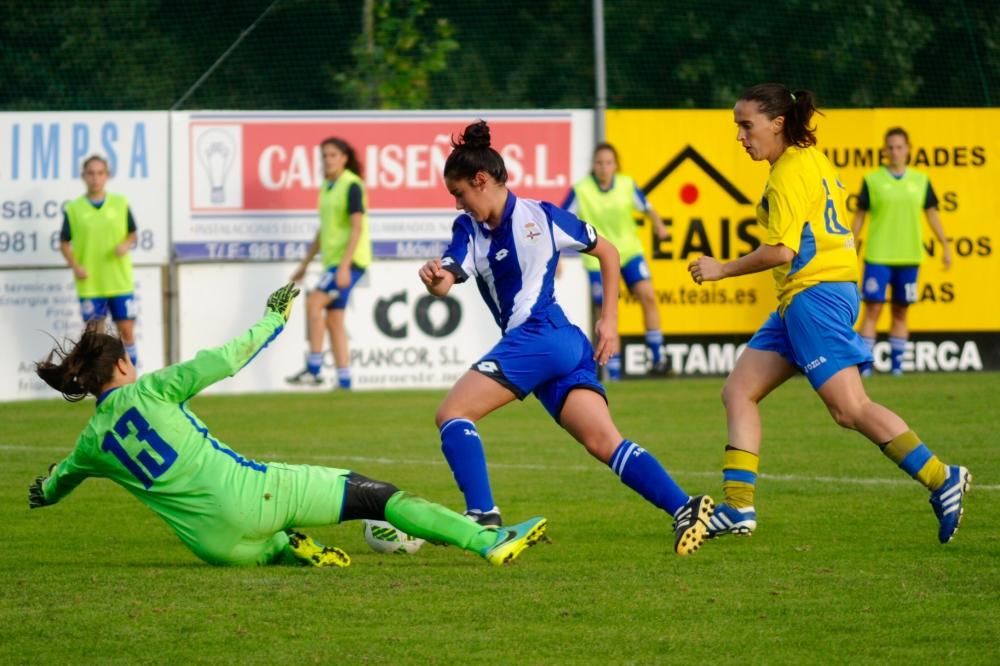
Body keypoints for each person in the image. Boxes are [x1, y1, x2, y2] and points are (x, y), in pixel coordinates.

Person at [28, 283, 547, 568]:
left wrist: (46, 491)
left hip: (215, 548)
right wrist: (274, 318)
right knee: (376, 495)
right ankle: (487, 541)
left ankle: (287, 549)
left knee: (273, 540)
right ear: (121, 367)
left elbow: (60, 479)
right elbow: (227, 358)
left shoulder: (91, 442)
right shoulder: (153, 388)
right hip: (256, 497)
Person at [687, 83, 970, 544]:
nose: (739, 135)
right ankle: (738, 508)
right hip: (803, 297)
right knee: (738, 391)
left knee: (849, 408)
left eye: (746, 125)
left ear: (777, 123)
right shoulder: (808, 158)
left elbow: (781, 251)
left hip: (814, 296)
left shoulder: (786, 175)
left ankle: (942, 477)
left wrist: (722, 270)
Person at [418, 120, 713, 556]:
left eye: (459, 193)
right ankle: (685, 506)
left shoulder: (541, 216)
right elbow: (447, 279)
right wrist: (433, 278)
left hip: (538, 338)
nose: (459, 204)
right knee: (603, 441)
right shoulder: (470, 231)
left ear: (481, 180)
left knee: (453, 414)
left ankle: (482, 515)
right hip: (565, 343)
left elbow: (609, 251)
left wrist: (610, 319)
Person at [562, 143, 670, 378]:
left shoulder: (626, 185)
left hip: (629, 252)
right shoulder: (582, 190)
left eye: (608, 163)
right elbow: (561, 220)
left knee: (648, 296)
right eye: (599, 163)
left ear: (615, 165)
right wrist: (558, 255)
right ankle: (613, 371)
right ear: (593, 165)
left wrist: (659, 225)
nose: (604, 167)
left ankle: (658, 359)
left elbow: (648, 208)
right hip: (598, 258)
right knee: (608, 311)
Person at [851, 127, 952, 376]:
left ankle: (897, 370)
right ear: (885, 151)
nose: (895, 152)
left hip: (909, 256)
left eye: (899, 147)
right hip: (878, 255)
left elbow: (932, 214)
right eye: (890, 147)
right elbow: (860, 217)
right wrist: (850, 245)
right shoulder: (872, 180)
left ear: (908, 149)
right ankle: (865, 368)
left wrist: (945, 244)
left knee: (901, 311)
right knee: (872, 309)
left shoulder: (920, 180)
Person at [287, 137, 372, 390]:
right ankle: (344, 380)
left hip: (350, 262)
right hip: (334, 263)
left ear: (344, 158)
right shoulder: (327, 186)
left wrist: (345, 266)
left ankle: (313, 369)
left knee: (314, 301)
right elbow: (323, 231)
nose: (328, 160)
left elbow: (357, 227)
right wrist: (304, 264)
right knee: (334, 319)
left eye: (333, 155)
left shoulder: (352, 185)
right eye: (324, 155)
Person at [59, 154, 139, 366]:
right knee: (95, 337)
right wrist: (75, 266)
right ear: (84, 176)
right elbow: (64, 242)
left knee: (126, 331)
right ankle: (104, 386)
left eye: (100, 173)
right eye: (91, 173)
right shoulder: (74, 209)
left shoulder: (120, 203)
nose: (95, 178)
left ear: (107, 176)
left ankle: (133, 379)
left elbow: (133, 233)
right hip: (91, 283)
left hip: (119, 280)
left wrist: (126, 243)